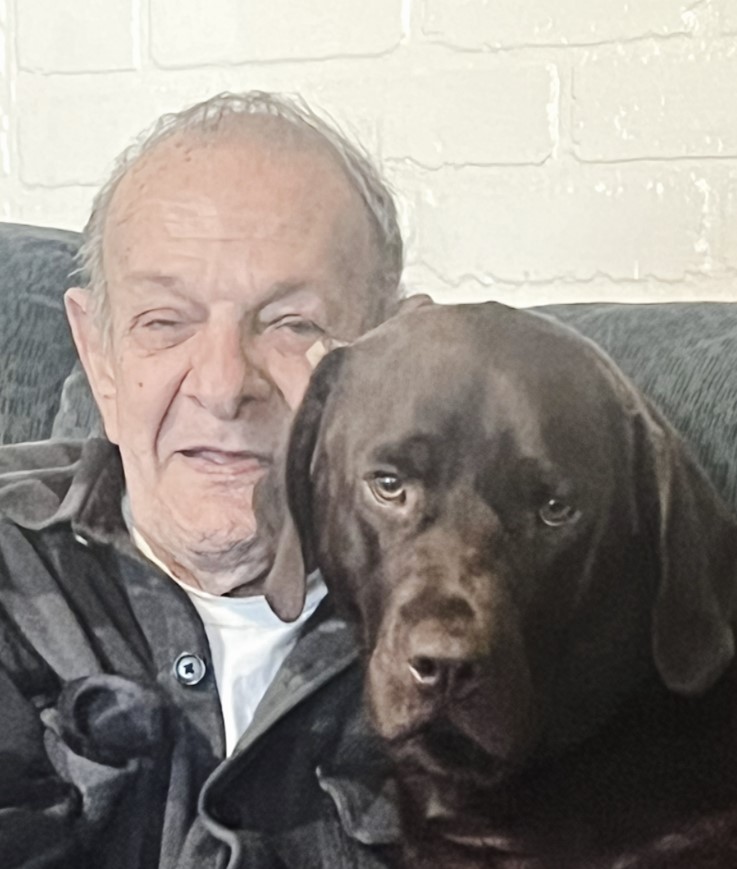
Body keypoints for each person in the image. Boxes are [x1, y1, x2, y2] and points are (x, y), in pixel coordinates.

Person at [0, 91, 406, 868]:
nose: (223, 386)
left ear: (390, 356)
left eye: (292, 323)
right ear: (99, 359)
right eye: (164, 322)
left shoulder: (486, 614)